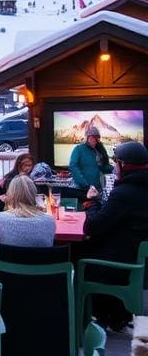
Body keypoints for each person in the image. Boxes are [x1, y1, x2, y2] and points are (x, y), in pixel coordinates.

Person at [80, 141, 148, 329]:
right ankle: (117, 315)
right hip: (138, 260)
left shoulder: (124, 193)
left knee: (79, 254)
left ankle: (92, 315)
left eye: (116, 162)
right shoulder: (137, 189)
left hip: (117, 265)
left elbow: (91, 227)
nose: (114, 167)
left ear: (124, 165)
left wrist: (91, 202)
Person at [0, 175, 55, 247]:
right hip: (41, 258)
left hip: (7, 258)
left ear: (11, 194)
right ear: (34, 193)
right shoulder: (49, 220)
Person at [69, 126, 112, 193]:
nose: (94, 140)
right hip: (82, 189)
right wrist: (85, 185)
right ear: (87, 138)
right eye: (92, 137)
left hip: (97, 189)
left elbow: (102, 167)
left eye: (97, 138)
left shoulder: (98, 150)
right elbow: (73, 166)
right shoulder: (78, 149)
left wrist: (113, 169)